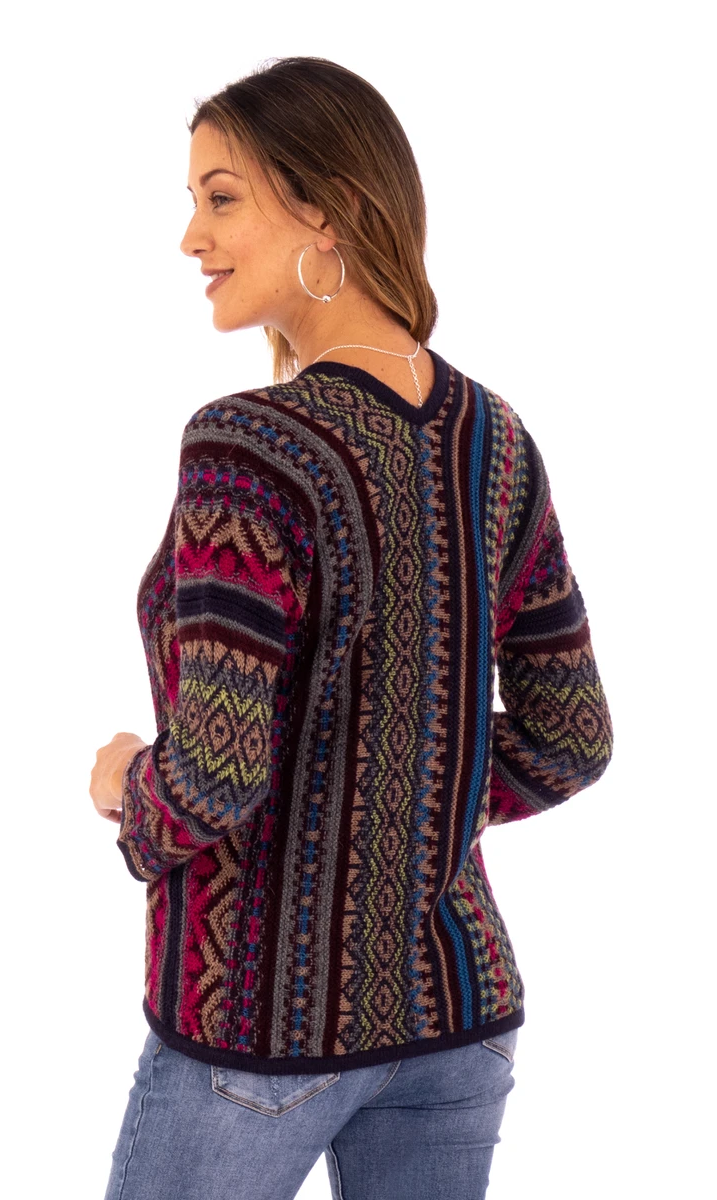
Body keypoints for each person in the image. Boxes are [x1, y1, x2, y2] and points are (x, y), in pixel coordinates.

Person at [90, 55, 614, 1200]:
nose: (190, 237)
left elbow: (215, 777)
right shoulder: (495, 441)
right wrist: (409, 800)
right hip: (458, 1013)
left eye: (221, 198)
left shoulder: (247, 447)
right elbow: (570, 737)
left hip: (259, 1035)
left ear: (325, 210)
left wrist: (126, 788)